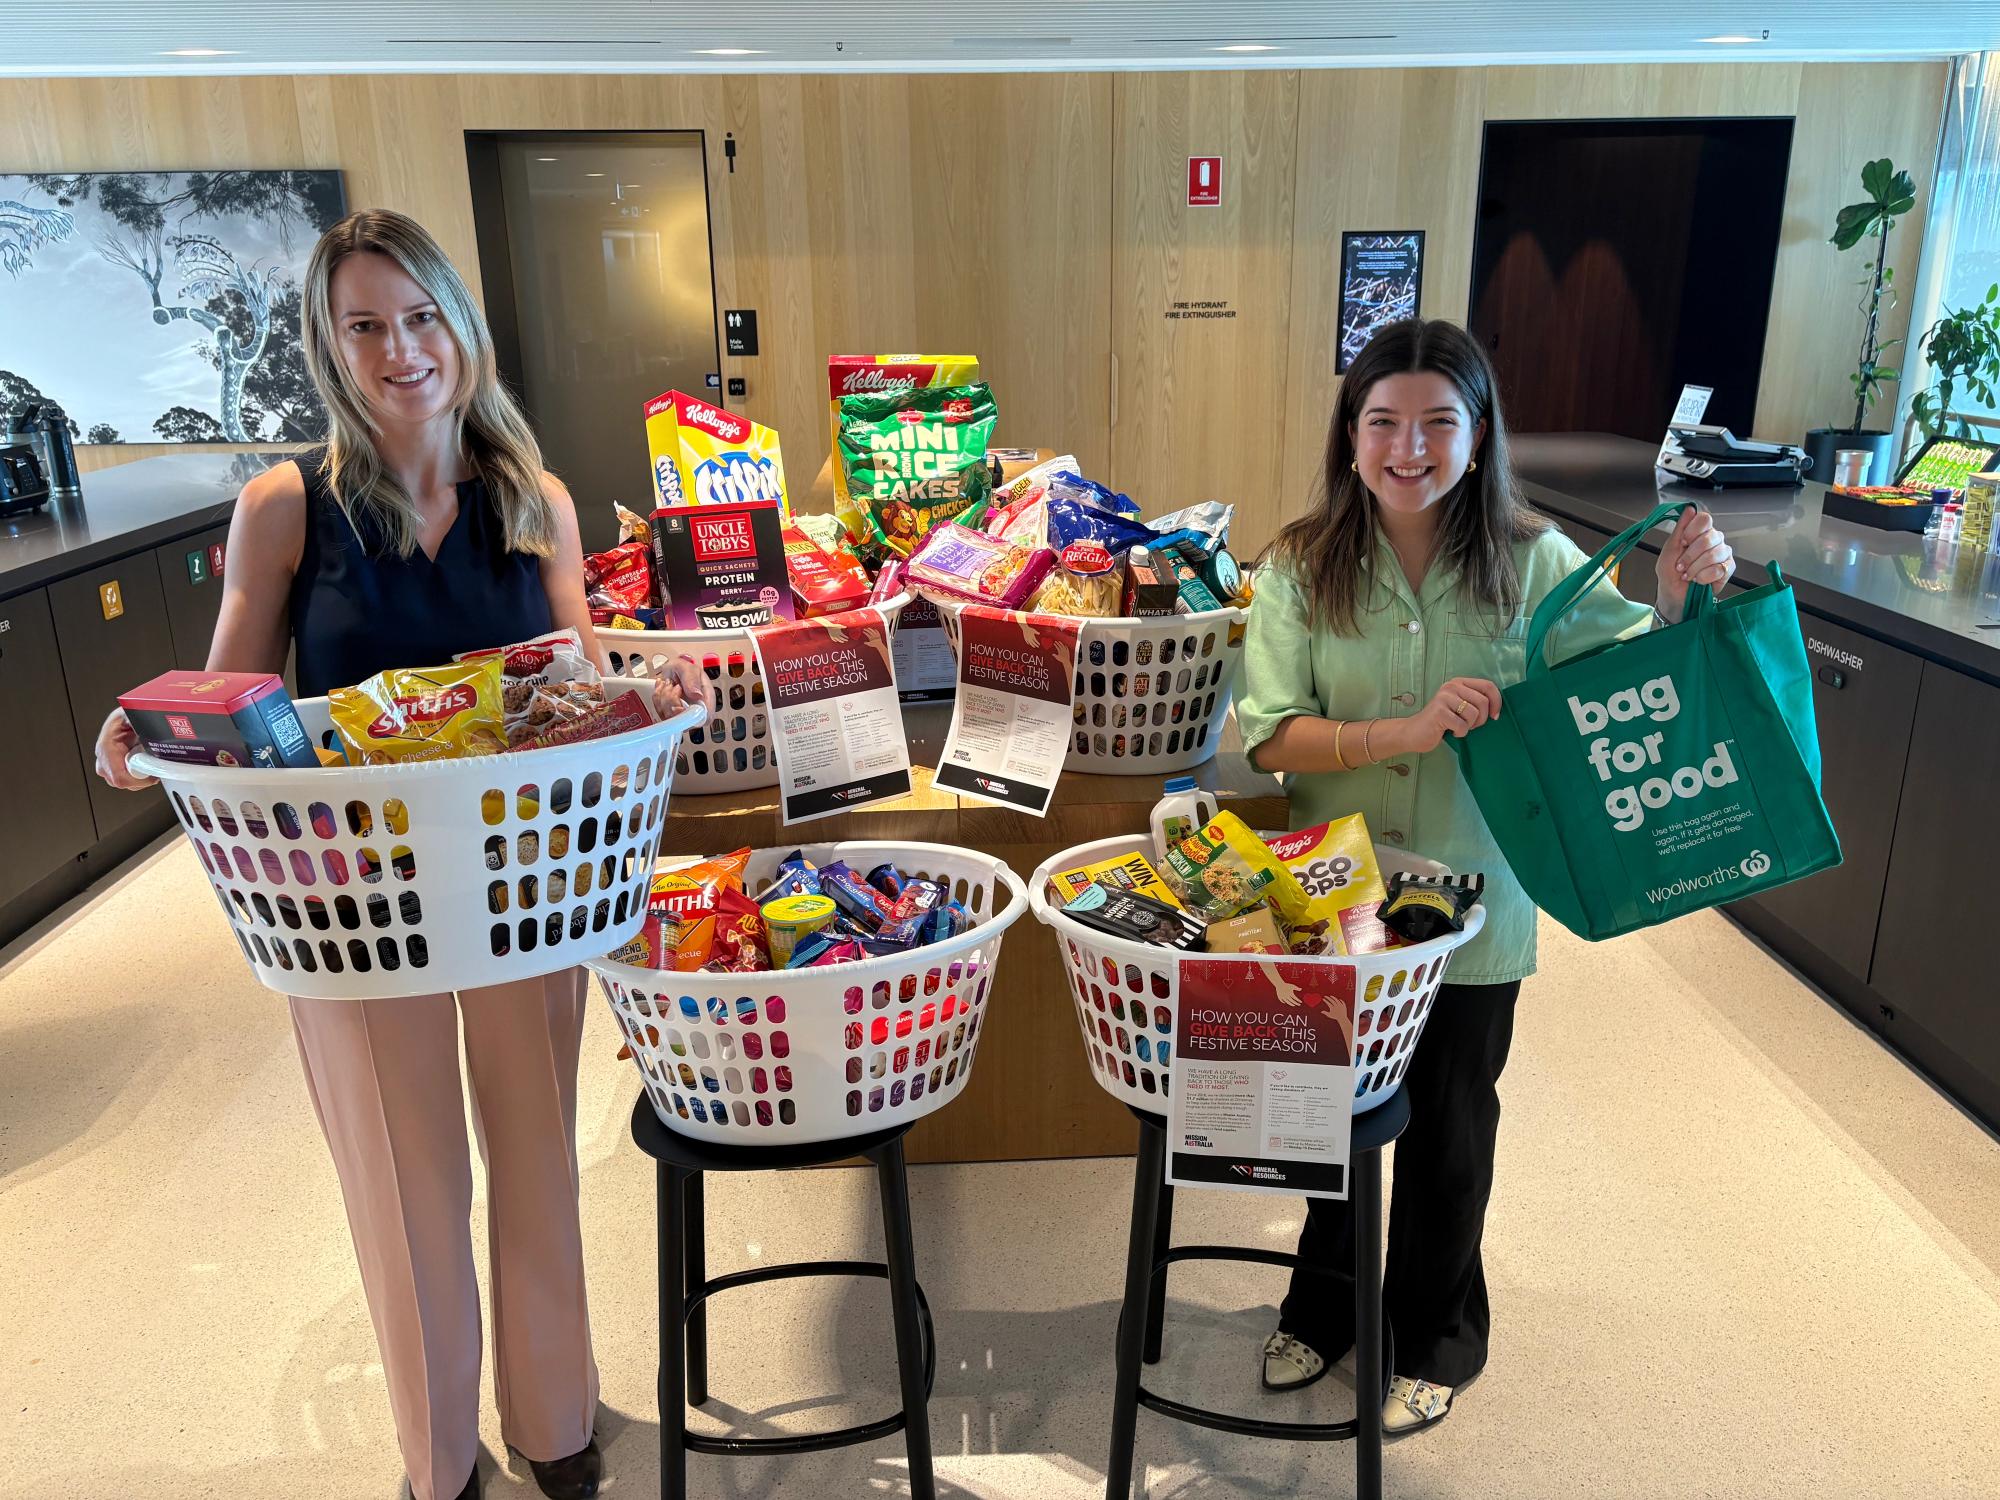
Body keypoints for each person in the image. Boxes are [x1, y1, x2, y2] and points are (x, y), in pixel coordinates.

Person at [94, 208, 700, 1500]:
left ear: (459, 330)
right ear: (329, 344)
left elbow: (579, 678)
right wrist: (146, 729)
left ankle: (555, 1425)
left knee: (538, 1160)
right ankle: (441, 1461)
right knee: (407, 1185)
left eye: (421, 318)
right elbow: (229, 705)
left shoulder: (530, 502)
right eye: (365, 325)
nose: (400, 351)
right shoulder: (284, 508)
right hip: (354, 912)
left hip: (528, 883)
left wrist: (641, 689)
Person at [1236, 319, 1734, 1435]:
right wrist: (1396, 732)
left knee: (1451, 1128)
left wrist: (1675, 594)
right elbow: (1269, 735)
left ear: (1476, 435)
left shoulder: (1534, 560)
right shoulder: (1301, 565)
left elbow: (1619, 671)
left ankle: (1437, 1335)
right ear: (1349, 437)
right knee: (1324, 1117)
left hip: (1477, 907)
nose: (1406, 448)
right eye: (1381, 424)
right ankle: (1319, 1313)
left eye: (1434, 423)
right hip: (1334, 905)